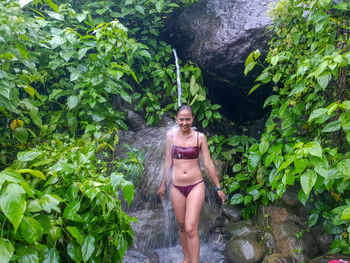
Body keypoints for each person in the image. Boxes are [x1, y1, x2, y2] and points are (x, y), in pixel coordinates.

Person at [157, 104, 226, 263]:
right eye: (181, 119)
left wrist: (218, 187)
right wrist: (162, 185)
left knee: (190, 228)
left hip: (195, 186)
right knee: (181, 225)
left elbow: (208, 163)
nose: (185, 123)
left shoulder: (199, 137)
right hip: (176, 186)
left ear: (192, 119)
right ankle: (187, 259)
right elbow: (168, 161)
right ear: (176, 119)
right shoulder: (171, 136)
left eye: (188, 119)